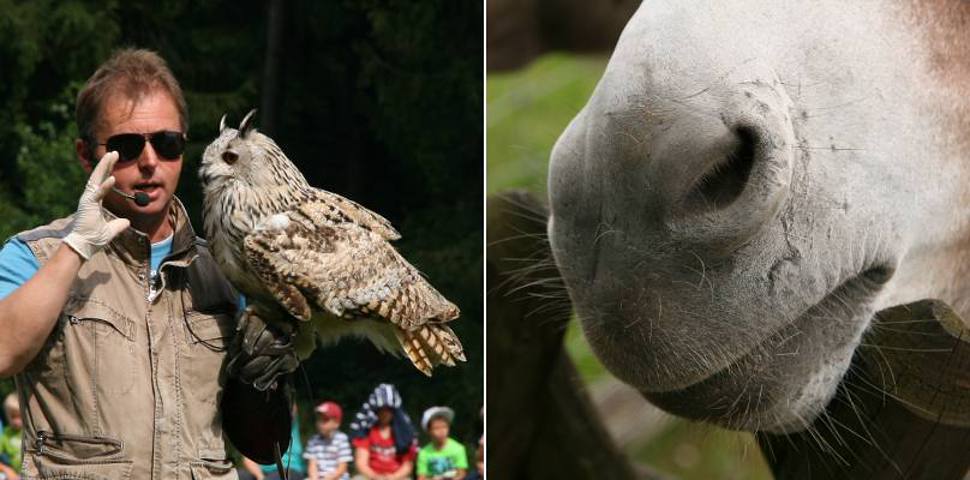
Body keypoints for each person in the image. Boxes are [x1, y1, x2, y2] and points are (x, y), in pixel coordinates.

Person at [0, 48, 241, 479]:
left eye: (167, 143)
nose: (150, 161)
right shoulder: (33, 255)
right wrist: (75, 247)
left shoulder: (226, 270)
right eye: (127, 147)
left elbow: (258, 438)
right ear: (85, 155)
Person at [349, 384, 418, 480]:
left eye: (388, 409)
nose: (385, 413)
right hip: (371, 476)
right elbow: (361, 462)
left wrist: (392, 477)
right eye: (382, 409)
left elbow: (407, 465)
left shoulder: (404, 434)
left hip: (397, 477)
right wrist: (375, 477)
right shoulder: (366, 430)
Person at [239, 403, 307, 480]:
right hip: (263, 473)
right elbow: (248, 459)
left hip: (290, 470)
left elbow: (290, 405)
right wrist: (260, 476)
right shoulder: (258, 430)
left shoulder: (288, 424)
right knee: (236, 476)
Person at [303, 401, 353, 480]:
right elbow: (312, 465)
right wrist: (314, 478)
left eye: (325, 420)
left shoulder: (342, 439)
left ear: (336, 423)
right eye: (319, 419)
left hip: (338, 477)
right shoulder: (313, 440)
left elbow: (342, 467)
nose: (320, 423)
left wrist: (330, 478)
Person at [415, 407, 466, 480]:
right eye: (436, 428)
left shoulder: (458, 448)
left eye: (444, 427)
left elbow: (462, 474)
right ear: (429, 431)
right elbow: (421, 477)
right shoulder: (424, 453)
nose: (442, 431)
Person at [0, 394, 22, 479]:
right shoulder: (5, 434)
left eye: (19, 416)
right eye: (13, 416)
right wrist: (6, 469)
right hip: (15, 474)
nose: (16, 421)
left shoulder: (29, 432)